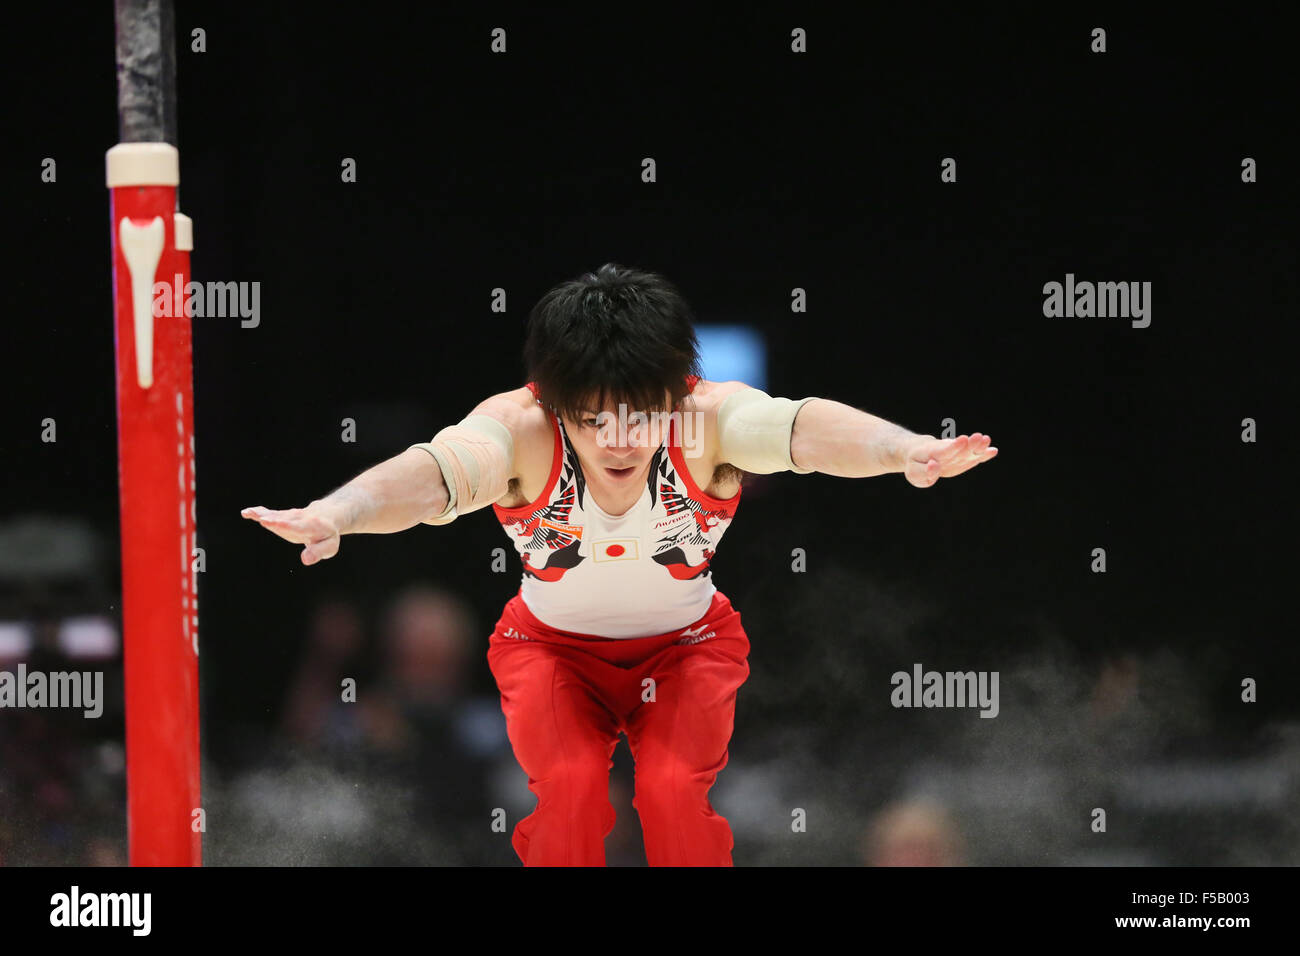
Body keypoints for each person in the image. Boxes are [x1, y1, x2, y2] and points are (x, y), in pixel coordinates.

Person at [242, 263, 998, 866]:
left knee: (672, 797)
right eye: (594, 417)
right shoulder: (518, 430)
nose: (621, 440)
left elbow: (803, 429)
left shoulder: (708, 420)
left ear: (673, 393)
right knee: (569, 795)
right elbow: (430, 474)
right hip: (551, 653)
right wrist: (338, 512)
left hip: (686, 650)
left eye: (641, 413)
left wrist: (905, 451)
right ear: (554, 400)